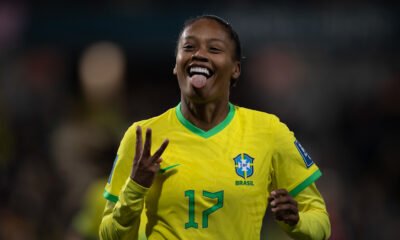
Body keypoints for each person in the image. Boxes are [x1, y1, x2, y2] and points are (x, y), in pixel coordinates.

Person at [99, 15, 331, 240]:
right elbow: (109, 235)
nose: (199, 54)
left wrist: (297, 222)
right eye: (189, 47)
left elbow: (321, 223)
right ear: (176, 65)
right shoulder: (143, 137)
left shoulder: (268, 131)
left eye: (214, 49)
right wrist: (135, 188)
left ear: (235, 69)